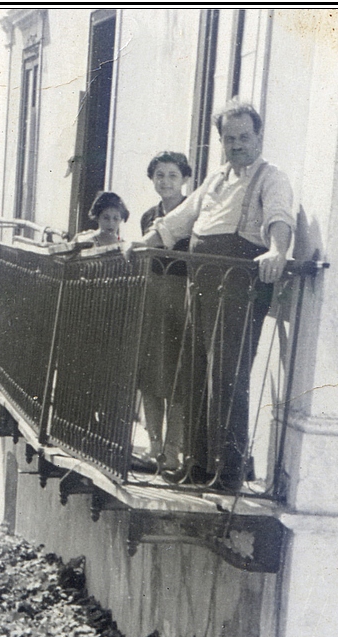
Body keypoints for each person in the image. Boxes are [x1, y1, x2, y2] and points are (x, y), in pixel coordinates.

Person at [128, 99, 294, 491]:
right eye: (229, 138)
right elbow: (181, 219)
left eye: (243, 137)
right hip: (199, 284)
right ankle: (199, 465)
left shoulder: (272, 179)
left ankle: (228, 472)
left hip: (238, 286)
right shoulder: (217, 179)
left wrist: (278, 251)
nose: (236, 145)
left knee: (228, 376)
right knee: (195, 374)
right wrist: (145, 241)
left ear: (258, 138)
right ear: (221, 141)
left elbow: (279, 218)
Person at [135, 152, 193, 471]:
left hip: (182, 297)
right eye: (159, 175)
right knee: (150, 373)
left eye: (172, 175)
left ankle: (173, 451)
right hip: (153, 296)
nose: (165, 181)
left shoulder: (193, 216)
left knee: (177, 377)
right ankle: (154, 445)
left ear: (184, 179)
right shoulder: (147, 217)